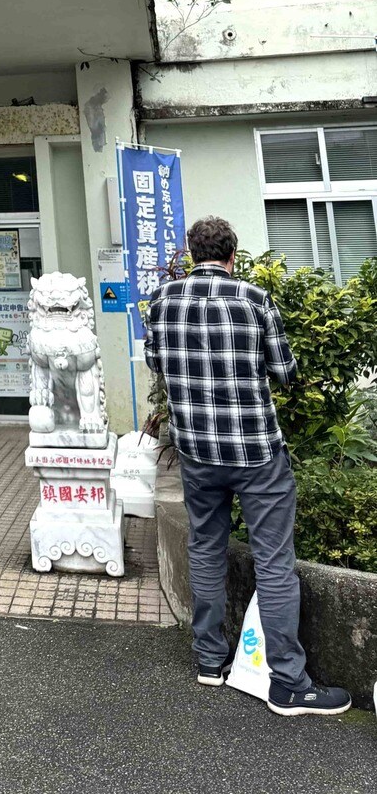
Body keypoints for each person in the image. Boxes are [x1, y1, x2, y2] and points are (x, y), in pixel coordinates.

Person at [145, 216, 350, 716]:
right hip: (256, 452)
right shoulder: (256, 300)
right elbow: (284, 371)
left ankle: (209, 661)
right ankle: (288, 683)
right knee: (274, 561)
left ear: (194, 254)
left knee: (207, 547)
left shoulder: (161, 302)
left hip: (196, 451)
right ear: (232, 254)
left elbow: (156, 363)